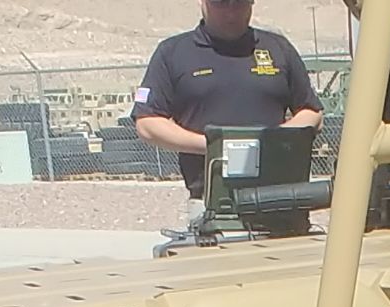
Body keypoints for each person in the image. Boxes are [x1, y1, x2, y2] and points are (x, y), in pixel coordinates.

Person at [132, 0, 324, 228]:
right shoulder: (173, 53)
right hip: (213, 204)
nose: (231, 12)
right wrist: (212, 146)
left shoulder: (277, 48)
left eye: (240, 3)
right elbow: (147, 123)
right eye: (221, 3)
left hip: (279, 197)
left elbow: (312, 112)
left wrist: (272, 142)